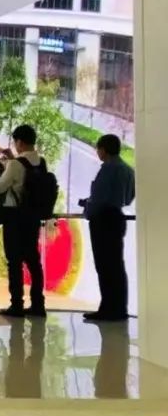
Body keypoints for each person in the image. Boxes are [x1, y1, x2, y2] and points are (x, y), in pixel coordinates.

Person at [0, 124, 48, 318]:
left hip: (14, 217)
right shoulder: (41, 162)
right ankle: (38, 304)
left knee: (14, 262)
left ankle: (17, 304)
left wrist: (6, 165)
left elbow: (0, 187)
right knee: (33, 261)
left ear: (20, 142)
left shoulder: (15, 164)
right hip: (33, 217)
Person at [80, 134, 135, 322]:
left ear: (103, 149)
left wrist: (88, 209)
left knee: (104, 266)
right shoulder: (127, 170)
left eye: (98, 148)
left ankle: (108, 309)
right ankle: (119, 309)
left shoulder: (108, 169)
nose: (97, 152)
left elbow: (98, 199)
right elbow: (129, 197)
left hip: (103, 220)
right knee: (116, 266)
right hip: (117, 217)